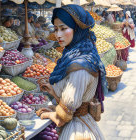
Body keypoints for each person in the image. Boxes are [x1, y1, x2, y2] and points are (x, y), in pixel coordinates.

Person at [36, 4, 108, 140]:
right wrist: (53, 91)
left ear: (77, 29)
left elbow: (63, 116)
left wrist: (47, 114)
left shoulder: (80, 66)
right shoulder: (79, 53)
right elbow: (73, 100)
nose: (58, 35)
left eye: (63, 29)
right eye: (56, 29)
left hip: (77, 131)